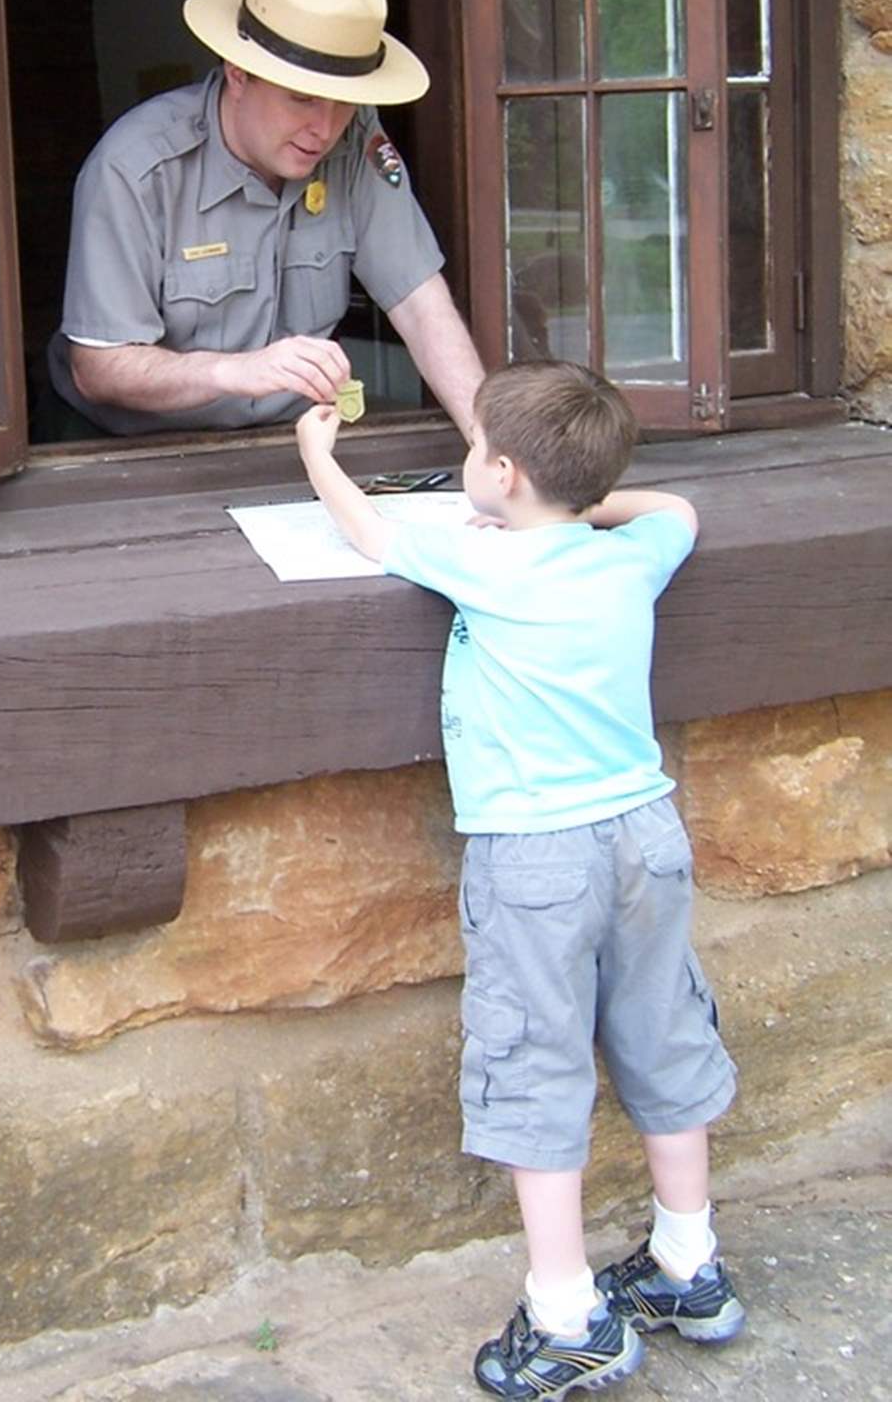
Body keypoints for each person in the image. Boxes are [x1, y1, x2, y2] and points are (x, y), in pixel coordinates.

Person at [295, 360, 744, 1401]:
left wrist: (319, 452)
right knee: (662, 1028)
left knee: (536, 1060)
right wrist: (583, 502)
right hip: (645, 830)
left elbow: (366, 529)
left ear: (498, 472)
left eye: (472, 457)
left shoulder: (484, 562)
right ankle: (689, 1263)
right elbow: (675, 505)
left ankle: (567, 1312)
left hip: (537, 853)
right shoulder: (627, 558)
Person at [47, 0, 484, 439]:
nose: (325, 129)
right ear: (238, 73)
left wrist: (489, 440)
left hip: (290, 435)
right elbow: (98, 368)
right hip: (128, 445)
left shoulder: (357, 138)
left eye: (344, 102)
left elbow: (419, 302)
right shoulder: (135, 168)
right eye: (302, 99)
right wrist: (232, 372)